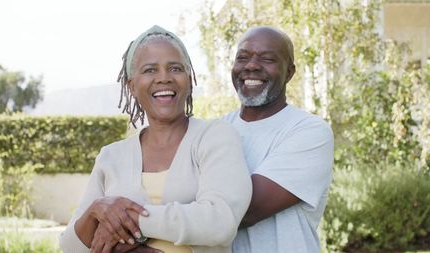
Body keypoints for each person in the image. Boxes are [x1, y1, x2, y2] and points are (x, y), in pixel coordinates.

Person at [59, 25, 252, 253]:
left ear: (189, 79)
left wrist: (127, 218)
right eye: (150, 70)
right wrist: (97, 210)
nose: (164, 78)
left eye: (175, 68)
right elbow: (71, 247)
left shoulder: (215, 137)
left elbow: (220, 222)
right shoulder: (111, 156)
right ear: (132, 86)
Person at [222, 26, 334, 253]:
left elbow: (244, 210)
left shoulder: (309, 132)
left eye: (267, 58)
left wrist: (147, 220)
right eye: (242, 57)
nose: (251, 65)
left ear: (290, 72)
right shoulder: (216, 130)